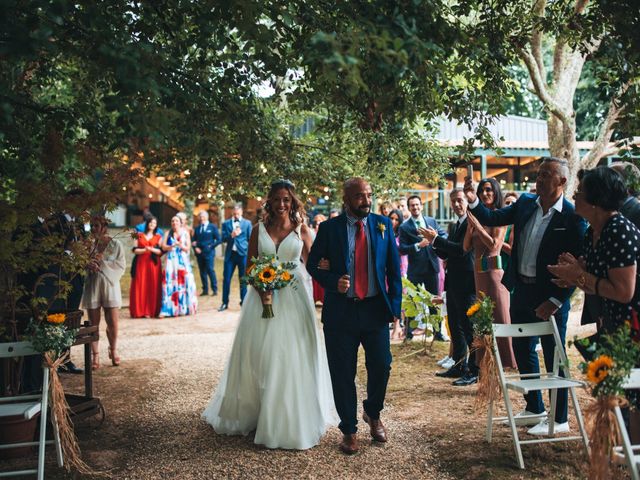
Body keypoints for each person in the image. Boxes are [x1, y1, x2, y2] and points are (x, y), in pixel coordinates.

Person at [203, 179, 335, 450]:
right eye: (277, 199)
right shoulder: (257, 230)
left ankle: (290, 416)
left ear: (292, 201)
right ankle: (258, 412)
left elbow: (315, 265)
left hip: (295, 296)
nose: (282, 204)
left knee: (291, 353)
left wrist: (331, 272)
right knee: (261, 353)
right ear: (270, 201)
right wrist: (261, 287)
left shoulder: (302, 229)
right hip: (261, 297)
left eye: (287, 199)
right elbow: (251, 266)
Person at [464, 157, 587, 436]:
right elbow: (492, 218)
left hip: (550, 298)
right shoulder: (524, 204)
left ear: (562, 182)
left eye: (546, 175)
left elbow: (579, 265)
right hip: (522, 290)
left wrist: (557, 300)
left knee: (554, 356)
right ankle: (534, 407)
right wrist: (473, 202)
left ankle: (559, 418)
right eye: (539, 173)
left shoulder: (572, 217)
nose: (539, 178)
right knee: (523, 349)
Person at [308, 177, 402, 455]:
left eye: (369, 195)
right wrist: (333, 280)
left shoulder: (382, 226)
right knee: (342, 372)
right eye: (360, 196)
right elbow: (313, 264)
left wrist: (395, 312)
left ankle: (373, 413)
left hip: (374, 310)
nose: (366, 200)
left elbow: (394, 272)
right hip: (341, 312)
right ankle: (348, 430)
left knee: (382, 365)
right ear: (347, 198)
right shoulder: (329, 228)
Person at [548, 167, 640, 336]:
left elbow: (623, 292)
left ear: (596, 200)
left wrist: (578, 275)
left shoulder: (619, 231)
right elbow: (595, 284)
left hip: (632, 330)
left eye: (580, 191)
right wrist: (574, 277)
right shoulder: (593, 232)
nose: (574, 196)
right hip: (611, 326)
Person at [425, 188, 477, 385]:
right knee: (455, 327)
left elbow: (462, 252)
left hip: (467, 281)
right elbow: (448, 254)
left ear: (467, 200)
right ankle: (459, 364)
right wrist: (435, 244)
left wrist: (437, 239)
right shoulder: (455, 225)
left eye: (459, 200)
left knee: (468, 327)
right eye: (453, 201)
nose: (456, 204)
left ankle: (474, 369)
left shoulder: (471, 223)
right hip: (453, 281)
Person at [463, 179, 517, 370]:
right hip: (479, 273)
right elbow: (466, 246)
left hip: (494, 272)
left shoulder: (499, 216)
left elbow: (495, 246)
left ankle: (507, 363)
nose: (485, 193)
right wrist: (471, 228)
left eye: (489, 190)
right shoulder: (475, 216)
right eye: (481, 190)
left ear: (496, 193)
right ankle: (485, 364)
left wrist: (478, 226)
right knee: (482, 319)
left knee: (499, 316)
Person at [398, 195, 447, 340]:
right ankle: (408, 334)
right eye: (412, 205)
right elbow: (402, 248)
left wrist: (436, 237)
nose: (415, 207)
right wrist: (418, 245)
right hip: (415, 270)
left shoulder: (431, 221)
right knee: (412, 301)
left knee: (434, 300)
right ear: (409, 207)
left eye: (417, 205)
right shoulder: (404, 227)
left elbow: (443, 234)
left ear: (421, 205)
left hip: (432, 267)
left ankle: (438, 333)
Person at [82, 215, 126, 369]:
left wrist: (102, 263)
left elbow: (120, 264)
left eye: (96, 226)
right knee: (93, 323)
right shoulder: (88, 245)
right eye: (92, 225)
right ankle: (95, 355)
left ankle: (113, 350)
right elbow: (81, 262)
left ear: (104, 227)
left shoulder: (116, 244)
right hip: (93, 284)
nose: (93, 228)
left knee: (112, 321)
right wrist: (88, 265)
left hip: (110, 284)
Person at [159, 216, 198, 317]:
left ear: (180, 223)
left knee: (184, 281)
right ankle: (169, 309)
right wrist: (172, 246)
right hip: (171, 260)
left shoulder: (185, 233)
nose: (174, 222)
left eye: (176, 220)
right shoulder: (168, 233)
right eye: (172, 221)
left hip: (182, 260)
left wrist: (180, 245)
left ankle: (184, 307)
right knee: (170, 282)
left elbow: (188, 248)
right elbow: (163, 246)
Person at [218, 204, 252, 312]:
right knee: (226, 279)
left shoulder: (247, 223)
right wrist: (231, 235)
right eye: (234, 213)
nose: (236, 215)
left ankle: (244, 302)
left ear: (241, 213)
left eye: (238, 213)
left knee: (243, 280)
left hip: (242, 255)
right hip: (230, 255)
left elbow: (250, 239)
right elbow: (223, 238)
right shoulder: (226, 223)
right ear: (232, 213)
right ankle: (224, 303)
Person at [129, 216, 163, 318]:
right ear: (147, 223)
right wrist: (144, 250)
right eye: (151, 223)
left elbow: (160, 251)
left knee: (152, 285)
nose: (152, 225)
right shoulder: (139, 235)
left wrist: (151, 249)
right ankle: (139, 311)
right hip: (141, 263)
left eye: (154, 223)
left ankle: (151, 311)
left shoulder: (158, 237)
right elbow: (134, 249)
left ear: (156, 225)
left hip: (153, 265)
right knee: (140, 284)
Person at [388, 208, 407, 340]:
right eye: (392, 218)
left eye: (396, 219)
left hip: (401, 267)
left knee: (402, 297)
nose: (394, 221)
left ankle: (401, 326)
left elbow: (403, 250)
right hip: (388, 269)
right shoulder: (385, 232)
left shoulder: (403, 234)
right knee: (391, 295)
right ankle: (395, 325)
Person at [192, 210, 221, 296]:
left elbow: (219, 240)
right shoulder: (197, 228)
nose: (201, 218)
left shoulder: (212, 227)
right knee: (202, 271)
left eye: (203, 217)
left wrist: (211, 246)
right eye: (200, 217)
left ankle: (214, 289)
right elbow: (193, 240)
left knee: (210, 270)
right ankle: (205, 290)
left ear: (207, 217)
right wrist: (195, 248)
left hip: (209, 253)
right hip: (199, 253)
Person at [311, 214, 327, 305]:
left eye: (319, 222)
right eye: (316, 223)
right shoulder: (312, 232)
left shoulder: (326, 232)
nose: (317, 224)